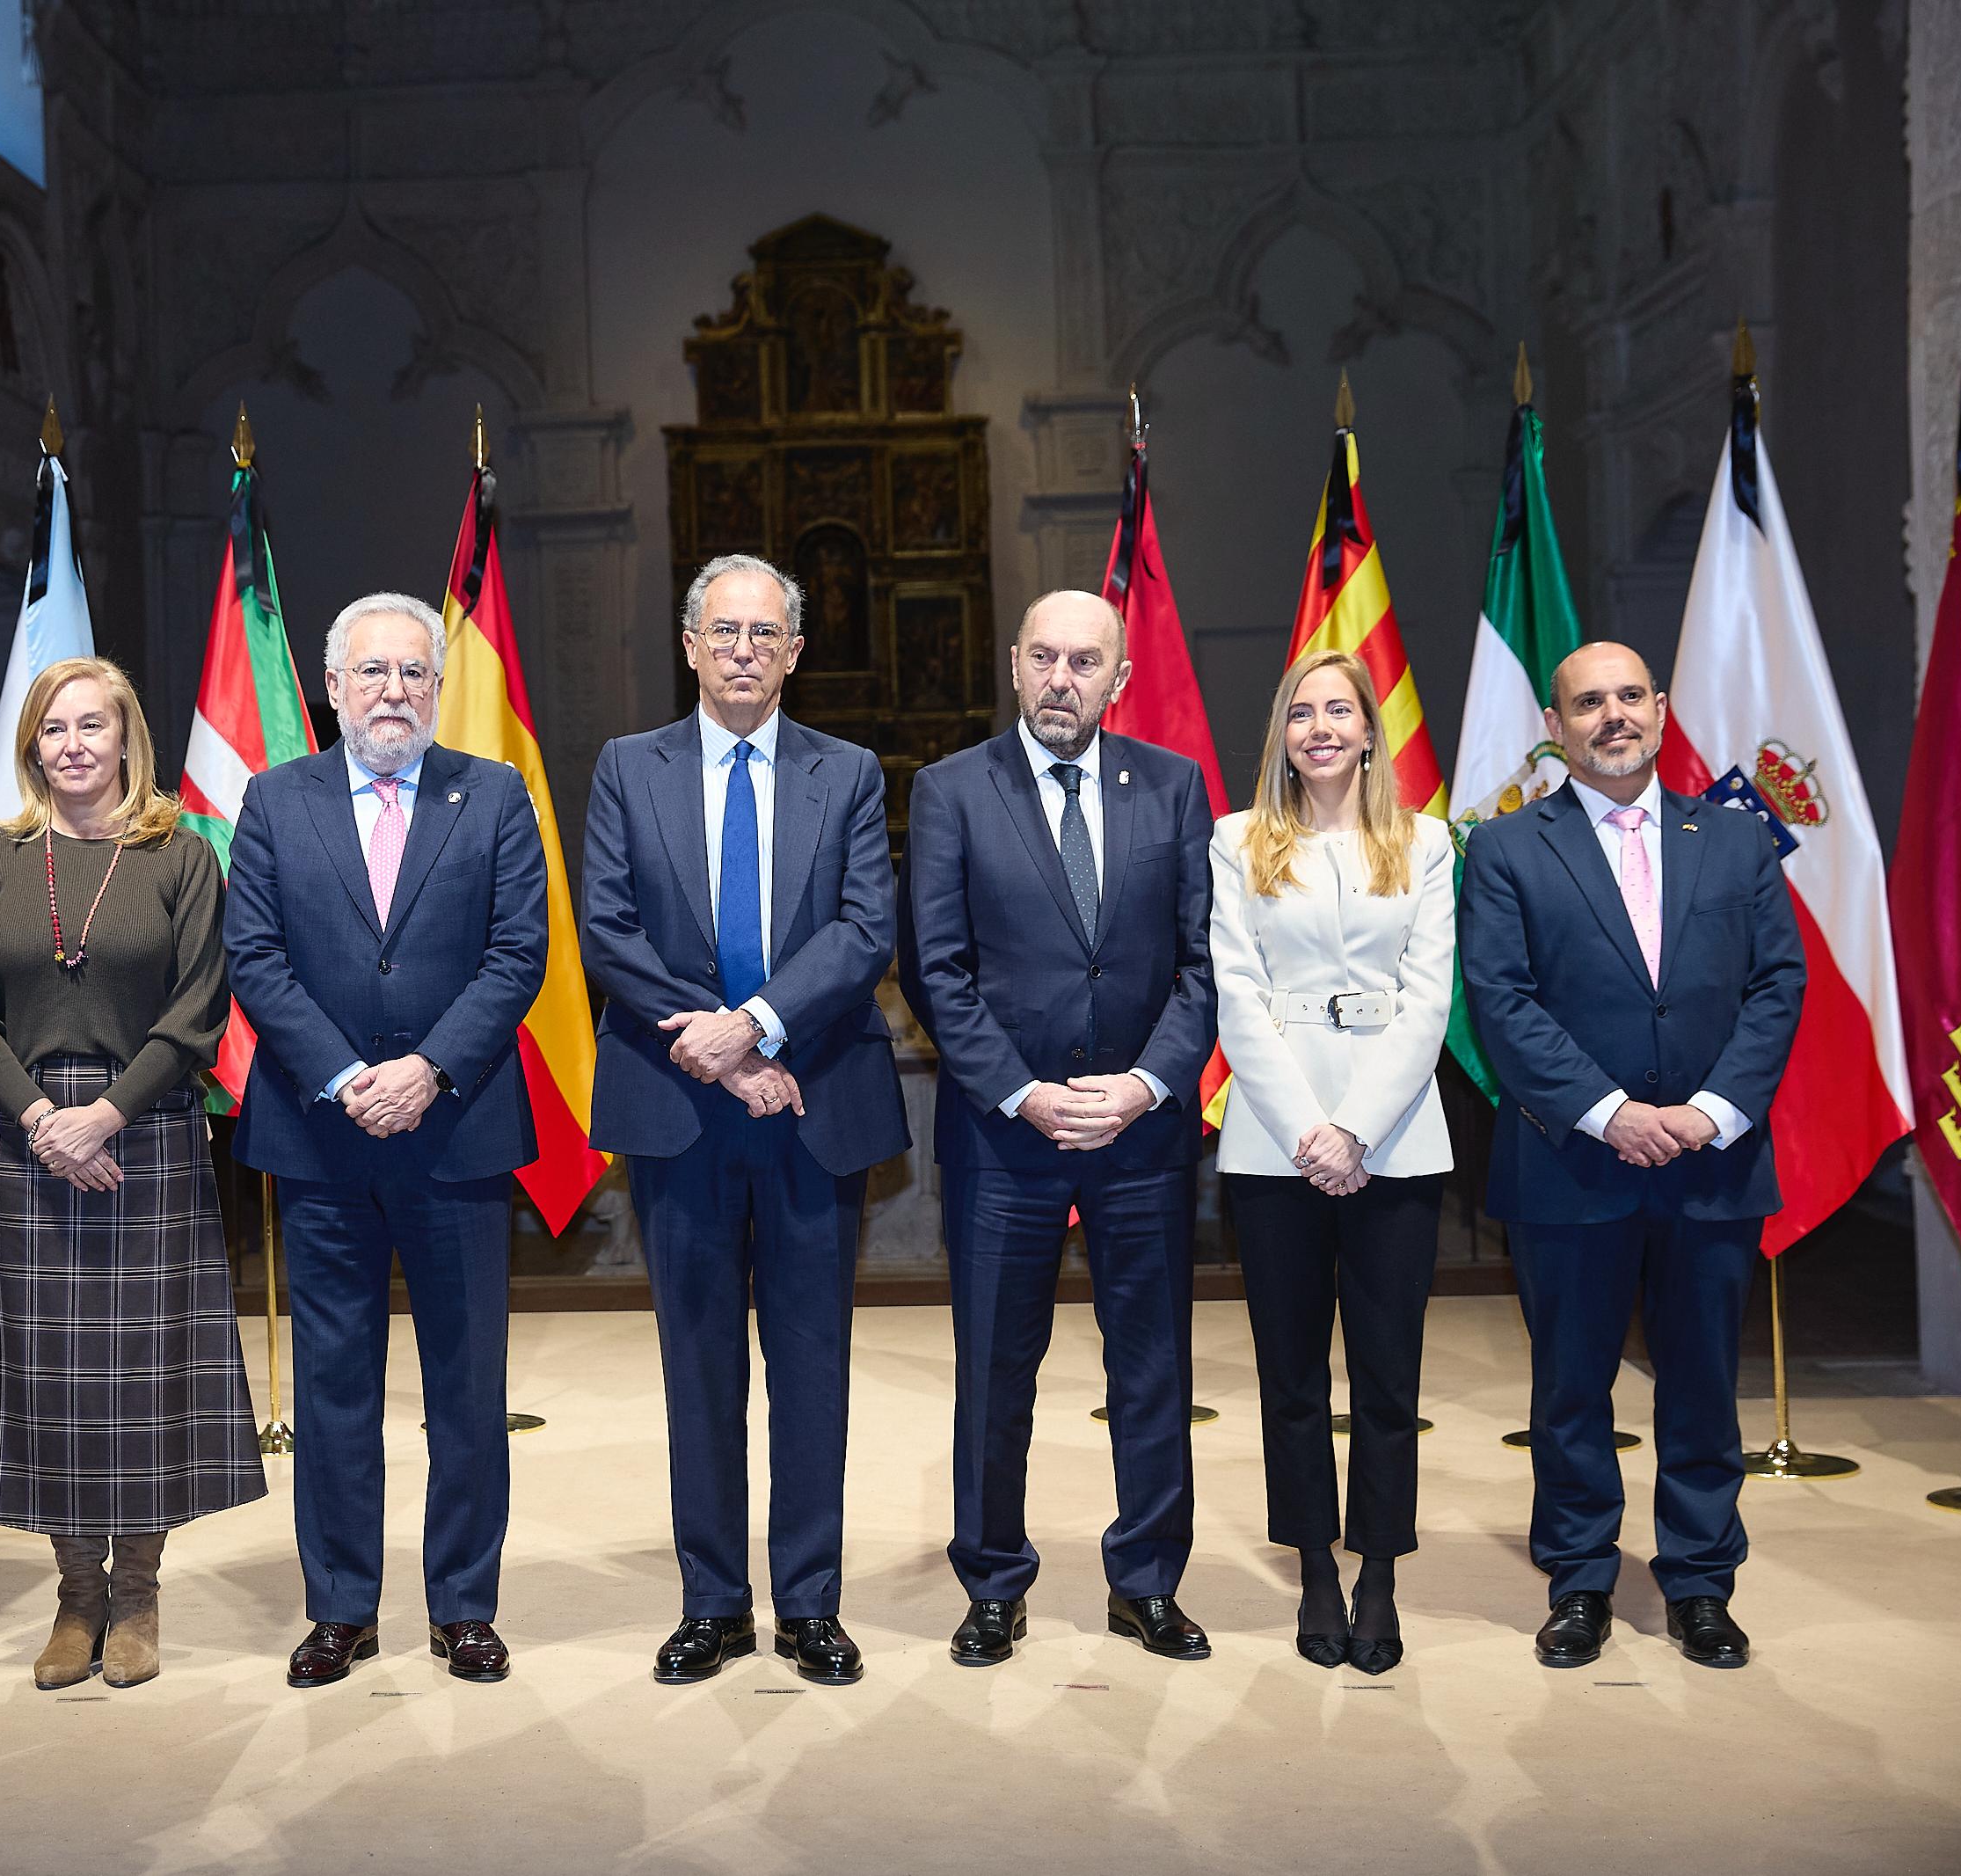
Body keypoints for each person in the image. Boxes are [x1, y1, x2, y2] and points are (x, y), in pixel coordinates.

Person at [580, 553, 908, 1688]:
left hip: (813, 1101)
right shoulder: (629, 767)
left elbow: (866, 930)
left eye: (765, 636)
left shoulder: (848, 771)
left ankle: (809, 1604)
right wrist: (715, 1054)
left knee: (812, 1362)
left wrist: (759, 1027)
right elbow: (607, 932)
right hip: (682, 1109)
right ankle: (712, 1602)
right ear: (688, 645)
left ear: (793, 654)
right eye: (723, 633)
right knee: (698, 1364)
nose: (742, 653)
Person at [222, 593, 549, 1690]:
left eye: (412, 673)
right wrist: (347, 1075)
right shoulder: (274, 799)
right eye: (371, 674)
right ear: (332, 688)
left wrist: (427, 1070)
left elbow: (517, 956)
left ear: (436, 690)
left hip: (454, 1129)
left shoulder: (494, 795)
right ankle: (341, 1608)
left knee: (466, 1386)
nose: (393, 692)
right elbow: (254, 958)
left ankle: (463, 1606)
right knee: (333, 1385)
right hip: (322, 1137)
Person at [1461, 639, 1803, 1672]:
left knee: (1700, 1381)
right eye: (1586, 703)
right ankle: (1577, 1579)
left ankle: (1699, 1581)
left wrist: (1708, 1112)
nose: (1610, 716)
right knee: (1570, 1386)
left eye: (1627, 697)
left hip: (1711, 1160)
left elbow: (1775, 987)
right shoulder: (1507, 848)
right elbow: (1500, 1002)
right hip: (1570, 1163)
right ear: (1556, 727)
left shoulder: (1738, 843)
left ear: (1658, 709)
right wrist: (1608, 1111)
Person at [900, 588, 1214, 1667]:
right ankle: (992, 1582)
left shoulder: (1172, 789)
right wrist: (1022, 1092)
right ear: (1012, 662)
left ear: (1118, 679)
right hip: (1003, 1136)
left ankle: (1146, 1582)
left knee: (1151, 1368)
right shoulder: (950, 791)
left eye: (1085, 662)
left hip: (1140, 1135)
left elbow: (1199, 965)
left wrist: (1143, 1086)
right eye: (1043, 657)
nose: (1061, 679)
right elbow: (933, 970)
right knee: (995, 1368)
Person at [0, 654, 263, 1691]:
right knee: (48, 1379)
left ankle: (140, 1591)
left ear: (127, 738)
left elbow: (199, 1012)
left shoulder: (180, 857)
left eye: (93, 726)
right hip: (22, 1131)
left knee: (142, 1374)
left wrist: (106, 1116)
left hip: (146, 1128)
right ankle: (77, 1595)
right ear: (31, 746)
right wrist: (44, 1118)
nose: (73, 745)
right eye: (53, 729)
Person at [1208, 648, 1455, 1675]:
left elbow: (1428, 995)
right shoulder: (1237, 842)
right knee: (1292, 1373)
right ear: (1284, 734)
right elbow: (1235, 991)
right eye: (1301, 712)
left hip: (1395, 1136)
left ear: (1366, 731)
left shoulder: (1427, 842)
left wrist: (1354, 1127)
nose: (1318, 727)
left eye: (1337, 711)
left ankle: (1379, 1573)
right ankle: (1314, 1565)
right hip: (1274, 1143)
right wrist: (1310, 1130)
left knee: (1388, 1376)